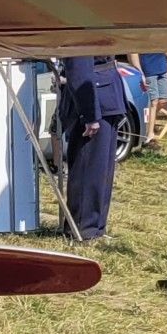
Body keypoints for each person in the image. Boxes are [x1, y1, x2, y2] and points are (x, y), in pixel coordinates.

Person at [61, 55, 125, 239]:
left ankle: (96, 227)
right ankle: (82, 228)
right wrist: (90, 114)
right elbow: (79, 71)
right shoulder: (81, 33)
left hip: (106, 95)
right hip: (93, 99)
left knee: (102, 173)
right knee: (89, 171)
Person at [128, 51, 167, 149]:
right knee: (153, 102)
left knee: (164, 100)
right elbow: (132, 52)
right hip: (147, 70)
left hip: (161, 67)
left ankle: (148, 124)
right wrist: (139, 72)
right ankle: (149, 136)